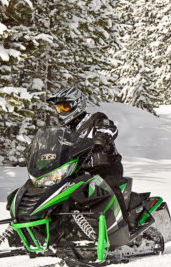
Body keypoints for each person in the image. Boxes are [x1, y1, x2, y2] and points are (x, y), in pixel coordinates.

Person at [47, 87, 132, 230]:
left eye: (64, 107)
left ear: (77, 104)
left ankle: (125, 226)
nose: (61, 112)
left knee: (106, 185)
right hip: (78, 171)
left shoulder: (96, 119)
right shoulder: (65, 132)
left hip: (105, 166)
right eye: (59, 108)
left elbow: (109, 128)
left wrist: (101, 139)